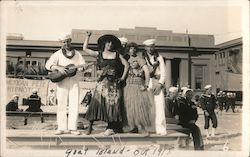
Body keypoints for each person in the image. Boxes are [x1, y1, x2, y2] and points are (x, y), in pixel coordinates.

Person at [83, 32, 129, 136]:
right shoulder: (98, 54)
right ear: (104, 44)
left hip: (113, 85)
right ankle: (90, 127)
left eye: (111, 43)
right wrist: (88, 36)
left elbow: (126, 65)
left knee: (112, 106)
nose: (110, 44)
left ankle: (110, 127)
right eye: (108, 43)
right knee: (95, 104)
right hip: (102, 84)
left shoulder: (117, 55)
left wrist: (122, 78)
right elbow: (85, 49)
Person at [45, 33, 86, 135]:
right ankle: (61, 127)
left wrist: (82, 68)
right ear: (61, 43)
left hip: (74, 81)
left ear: (70, 41)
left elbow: (82, 65)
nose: (66, 43)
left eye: (68, 41)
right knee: (61, 103)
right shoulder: (58, 53)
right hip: (62, 81)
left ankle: (73, 128)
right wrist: (58, 68)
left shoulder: (77, 54)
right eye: (64, 42)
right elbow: (48, 65)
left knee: (74, 104)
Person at [123, 42, 152, 133]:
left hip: (138, 84)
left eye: (134, 48)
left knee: (140, 106)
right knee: (130, 107)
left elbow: (147, 72)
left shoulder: (140, 59)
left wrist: (146, 85)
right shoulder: (125, 58)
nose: (132, 50)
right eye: (130, 48)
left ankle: (141, 126)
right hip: (128, 85)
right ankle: (133, 126)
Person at [142, 39, 167, 135]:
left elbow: (164, 72)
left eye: (152, 46)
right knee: (148, 106)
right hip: (147, 82)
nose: (150, 48)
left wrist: (160, 84)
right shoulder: (143, 58)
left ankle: (160, 129)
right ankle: (149, 128)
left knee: (159, 105)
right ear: (145, 48)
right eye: (148, 46)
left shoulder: (159, 57)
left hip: (157, 81)